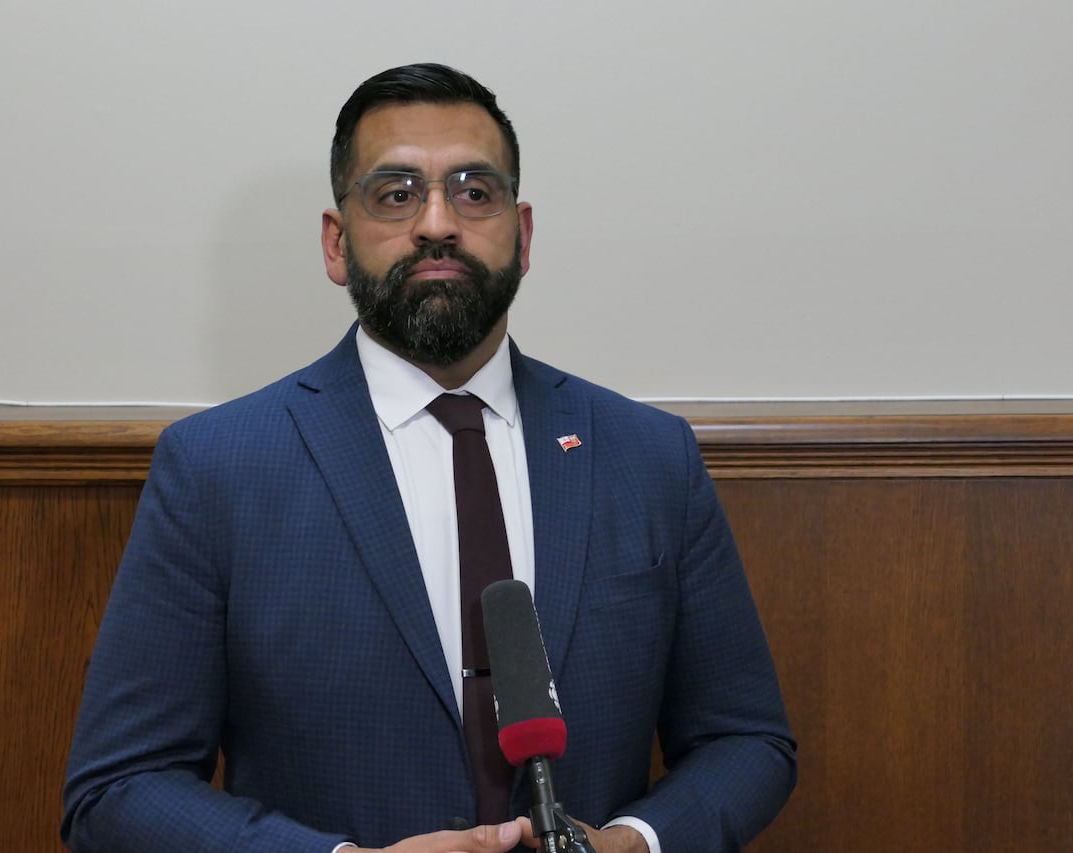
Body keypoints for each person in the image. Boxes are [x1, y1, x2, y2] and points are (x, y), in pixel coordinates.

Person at [61, 62, 796, 853]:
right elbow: (119, 787)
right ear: (337, 243)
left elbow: (746, 740)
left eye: (474, 192)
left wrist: (632, 843)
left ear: (524, 233)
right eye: (396, 193)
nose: (438, 222)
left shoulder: (649, 456)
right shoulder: (218, 468)